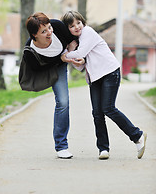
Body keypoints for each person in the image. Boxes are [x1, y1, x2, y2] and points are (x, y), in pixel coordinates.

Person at [61, 10, 147, 160]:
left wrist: (65, 56)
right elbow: (80, 66)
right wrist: (71, 52)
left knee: (108, 108)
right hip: (95, 78)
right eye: (71, 26)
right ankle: (103, 149)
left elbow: (80, 54)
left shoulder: (88, 32)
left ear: (83, 22)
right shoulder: (78, 42)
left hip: (109, 72)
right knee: (97, 113)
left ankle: (137, 135)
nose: (77, 27)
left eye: (78, 23)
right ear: (67, 29)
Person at [24, 12, 84, 159]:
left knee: (64, 101)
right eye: (44, 32)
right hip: (49, 67)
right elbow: (38, 69)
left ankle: (61, 145)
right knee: (61, 101)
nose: (49, 32)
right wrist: (61, 59)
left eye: (49, 28)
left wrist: (71, 51)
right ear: (34, 35)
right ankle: (61, 146)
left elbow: (76, 38)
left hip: (62, 61)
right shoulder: (30, 52)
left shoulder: (57, 26)